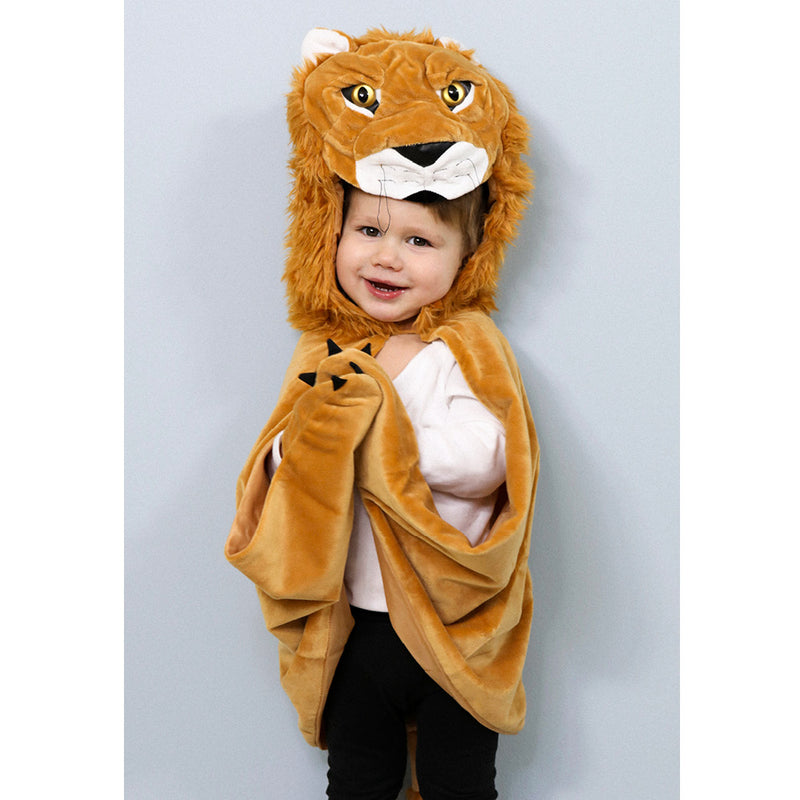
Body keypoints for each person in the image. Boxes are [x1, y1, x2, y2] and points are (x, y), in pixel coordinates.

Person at [226, 28, 539, 800]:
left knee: (460, 781)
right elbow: (283, 459)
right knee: (358, 778)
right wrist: (305, 453)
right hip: (357, 624)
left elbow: (491, 458)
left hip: (448, 623)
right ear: (330, 233)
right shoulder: (329, 353)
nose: (387, 256)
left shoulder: (462, 350)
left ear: (466, 258)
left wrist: (374, 444)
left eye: (419, 240)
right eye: (367, 230)